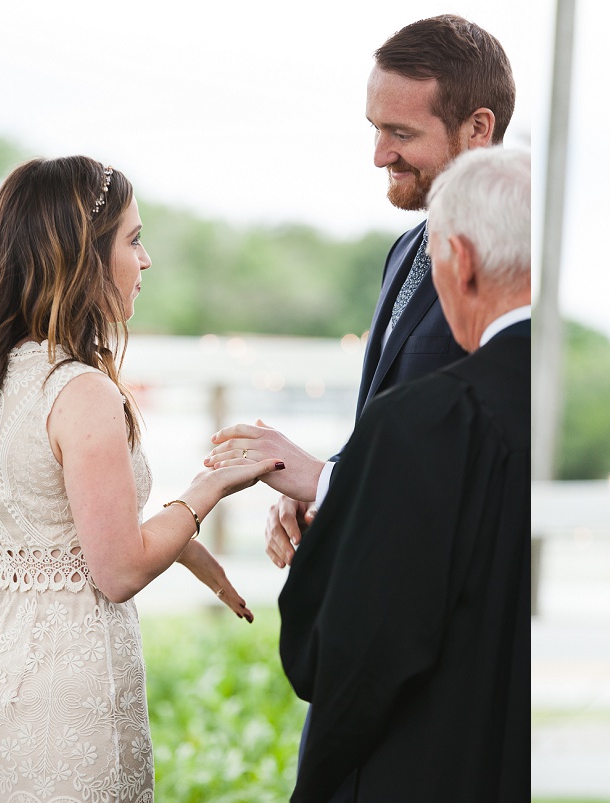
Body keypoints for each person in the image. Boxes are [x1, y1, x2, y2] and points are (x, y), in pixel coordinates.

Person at [0, 157, 276, 803]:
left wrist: (189, 550)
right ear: (84, 257)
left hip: (0, 666)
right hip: (71, 692)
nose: (147, 260)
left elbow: (57, 519)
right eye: (132, 239)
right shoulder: (79, 391)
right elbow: (114, 571)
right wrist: (209, 490)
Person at [268, 146, 530, 803]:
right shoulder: (572, 415)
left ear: (459, 261)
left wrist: (339, 517)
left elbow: (338, 654)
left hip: (425, 786)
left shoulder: (423, 422)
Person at [201, 13, 515, 567]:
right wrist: (318, 492)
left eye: (402, 133)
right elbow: (385, 430)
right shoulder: (405, 249)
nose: (379, 154)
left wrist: (325, 480)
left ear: (478, 128)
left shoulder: (516, 266)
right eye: (376, 127)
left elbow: (485, 463)